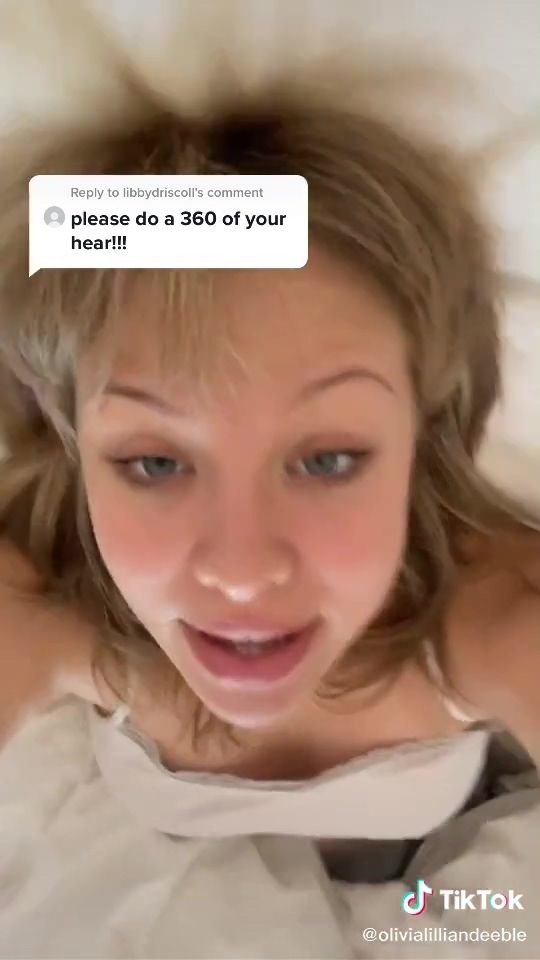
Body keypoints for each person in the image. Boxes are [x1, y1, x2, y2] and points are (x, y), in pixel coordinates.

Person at [0, 67, 539, 921]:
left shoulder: (488, 613)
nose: (242, 573)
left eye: (328, 460)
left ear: (422, 430)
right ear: (75, 442)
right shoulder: (44, 599)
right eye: (154, 462)